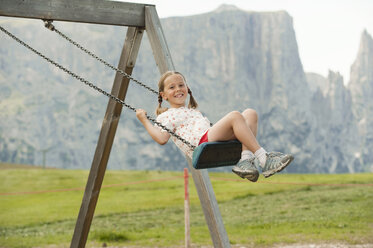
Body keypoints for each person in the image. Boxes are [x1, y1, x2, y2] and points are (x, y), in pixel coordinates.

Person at [136, 71, 294, 182]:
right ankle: (264, 159)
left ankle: (245, 160)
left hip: (209, 136)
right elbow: (162, 138)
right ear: (163, 95)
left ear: (187, 88)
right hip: (201, 143)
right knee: (235, 116)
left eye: (181, 85)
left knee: (250, 113)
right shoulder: (166, 115)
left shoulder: (192, 111)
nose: (178, 89)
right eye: (171, 87)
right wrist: (144, 120)